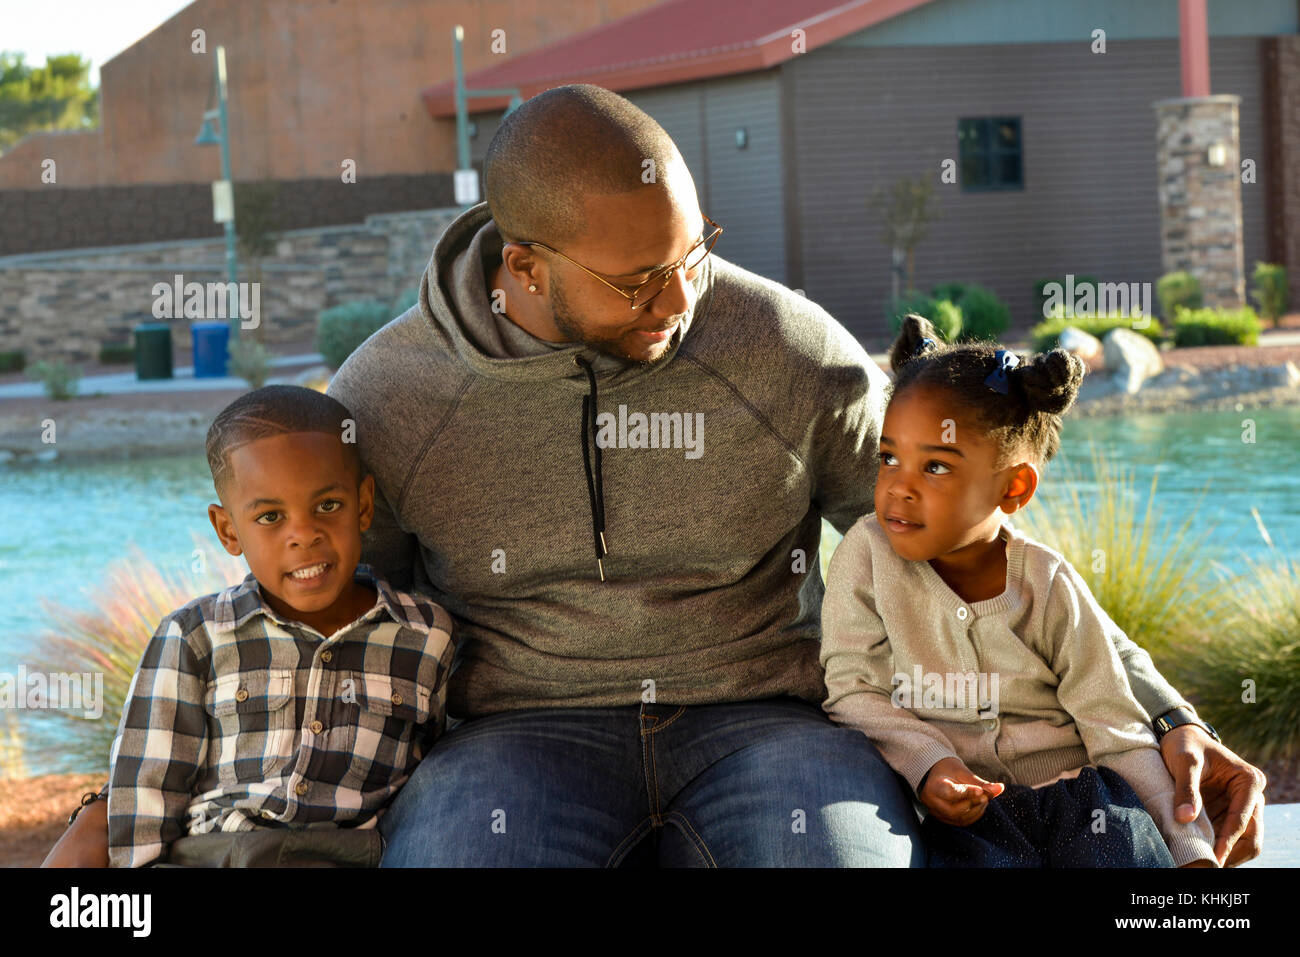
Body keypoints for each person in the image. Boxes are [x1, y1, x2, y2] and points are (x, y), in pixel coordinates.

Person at [45, 83, 1265, 868]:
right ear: (521, 265)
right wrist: (134, 805)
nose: (682, 302)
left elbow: (976, 551)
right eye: (638, 281)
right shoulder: (389, 397)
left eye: (694, 255)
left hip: (771, 729)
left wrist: (1165, 719)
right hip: (513, 738)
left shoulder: (780, 347)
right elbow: (313, 615)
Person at [820, 316, 1217, 867]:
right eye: (889, 457)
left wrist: (1190, 847)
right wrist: (929, 764)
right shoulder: (865, 556)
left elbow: (1116, 727)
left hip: (1085, 802)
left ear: (1014, 487)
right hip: (960, 816)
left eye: (935, 466)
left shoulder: (1048, 582)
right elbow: (853, 690)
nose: (898, 487)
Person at [102, 385, 456, 867]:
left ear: (364, 505)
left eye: (328, 506)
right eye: (270, 516)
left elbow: (435, 778)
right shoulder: (195, 637)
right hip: (215, 856)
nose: (303, 535)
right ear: (229, 531)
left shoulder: (425, 636)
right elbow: (144, 789)